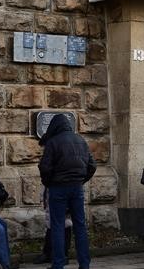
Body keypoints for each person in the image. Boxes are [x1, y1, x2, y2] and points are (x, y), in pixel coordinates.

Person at [39, 114, 96, 269]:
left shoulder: (53, 142)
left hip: (58, 188)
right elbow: (92, 165)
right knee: (80, 226)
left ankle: (58, 263)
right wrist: (81, 180)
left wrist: (49, 183)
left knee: (57, 226)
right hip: (77, 188)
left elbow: (45, 167)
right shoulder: (80, 140)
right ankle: (84, 264)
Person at [33, 188, 72, 265]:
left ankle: (63, 254)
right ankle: (49, 253)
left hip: (64, 185)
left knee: (65, 222)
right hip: (54, 185)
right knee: (51, 221)